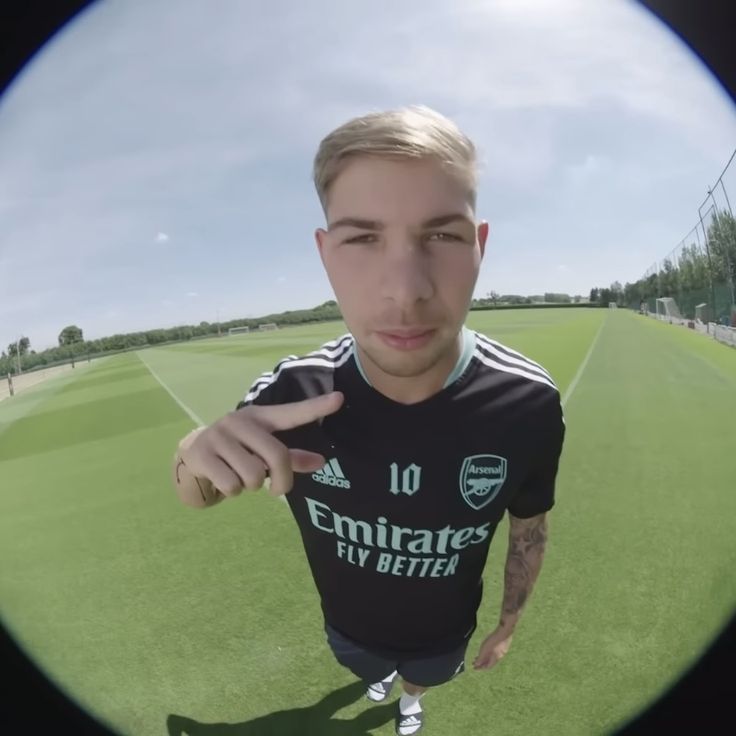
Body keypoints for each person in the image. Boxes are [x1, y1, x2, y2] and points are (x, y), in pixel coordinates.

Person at [172, 106, 565, 736]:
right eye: (361, 238)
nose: (405, 290)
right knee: (367, 667)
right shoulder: (292, 391)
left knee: (420, 677)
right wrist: (196, 446)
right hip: (346, 629)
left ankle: (409, 699)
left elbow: (529, 532)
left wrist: (509, 624)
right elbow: (194, 492)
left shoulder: (529, 403)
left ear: (479, 248)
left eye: (442, 236)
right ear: (326, 256)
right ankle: (381, 680)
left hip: (445, 633)